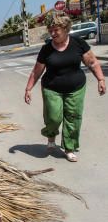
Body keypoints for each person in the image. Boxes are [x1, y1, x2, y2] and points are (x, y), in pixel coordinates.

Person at [24, 15, 106, 162]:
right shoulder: (46, 49)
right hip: (51, 88)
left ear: (66, 29)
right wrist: (28, 89)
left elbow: (92, 63)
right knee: (53, 117)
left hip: (76, 88)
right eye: (50, 30)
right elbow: (37, 71)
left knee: (73, 118)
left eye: (56, 30)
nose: (53, 33)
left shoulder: (78, 43)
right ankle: (51, 136)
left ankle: (69, 148)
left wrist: (100, 79)